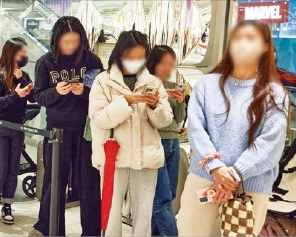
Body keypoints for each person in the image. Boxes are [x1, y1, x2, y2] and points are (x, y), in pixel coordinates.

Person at [177, 20, 288, 236]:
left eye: (250, 38)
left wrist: (234, 174)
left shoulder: (274, 93)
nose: (242, 44)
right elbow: (197, 130)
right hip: (204, 178)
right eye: (237, 38)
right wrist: (216, 168)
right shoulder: (206, 85)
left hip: (250, 186)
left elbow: (270, 145)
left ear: (266, 46)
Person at [88, 30, 172, 236]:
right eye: (130, 57)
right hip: (112, 157)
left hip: (146, 157)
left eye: (140, 57)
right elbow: (98, 118)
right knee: (111, 210)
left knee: (143, 213)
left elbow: (165, 120)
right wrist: (125, 102)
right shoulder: (103, 81)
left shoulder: (153, 82)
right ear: (119, 54)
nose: (135, 61)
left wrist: (155, 106)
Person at [30, 16, 104, 237]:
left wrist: (85, 92)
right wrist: (56, 92)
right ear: (57, 40)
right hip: (57, 132)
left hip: (87, 131)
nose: (70, 46)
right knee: (54, 183)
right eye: (66, 42)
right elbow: (38, 96)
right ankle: (50, 229)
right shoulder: (45, 63)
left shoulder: (92, 61)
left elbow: (101, 96)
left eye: (75, 41)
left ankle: (91, 232)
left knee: (89, 184)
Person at [0, 37, 34, 226]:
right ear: (12, 54)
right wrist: (15, 95)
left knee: (13, 170)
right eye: (22, 53)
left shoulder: (24, 75)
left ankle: (7, 205)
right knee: (0, 169)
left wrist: (23, 83)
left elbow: (33, 95)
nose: (25, 57)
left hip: (17, 127)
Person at [146, 45, 185, 236]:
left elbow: (178, 119)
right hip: (156, 141)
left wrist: (180, 101)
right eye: (164, 63)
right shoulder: (147, 85)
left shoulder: (172, 85)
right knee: (162, 199)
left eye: (171, 64)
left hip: (173, 142)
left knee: (170, 195)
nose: (168, 68)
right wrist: (162, 97)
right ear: (154, 63)